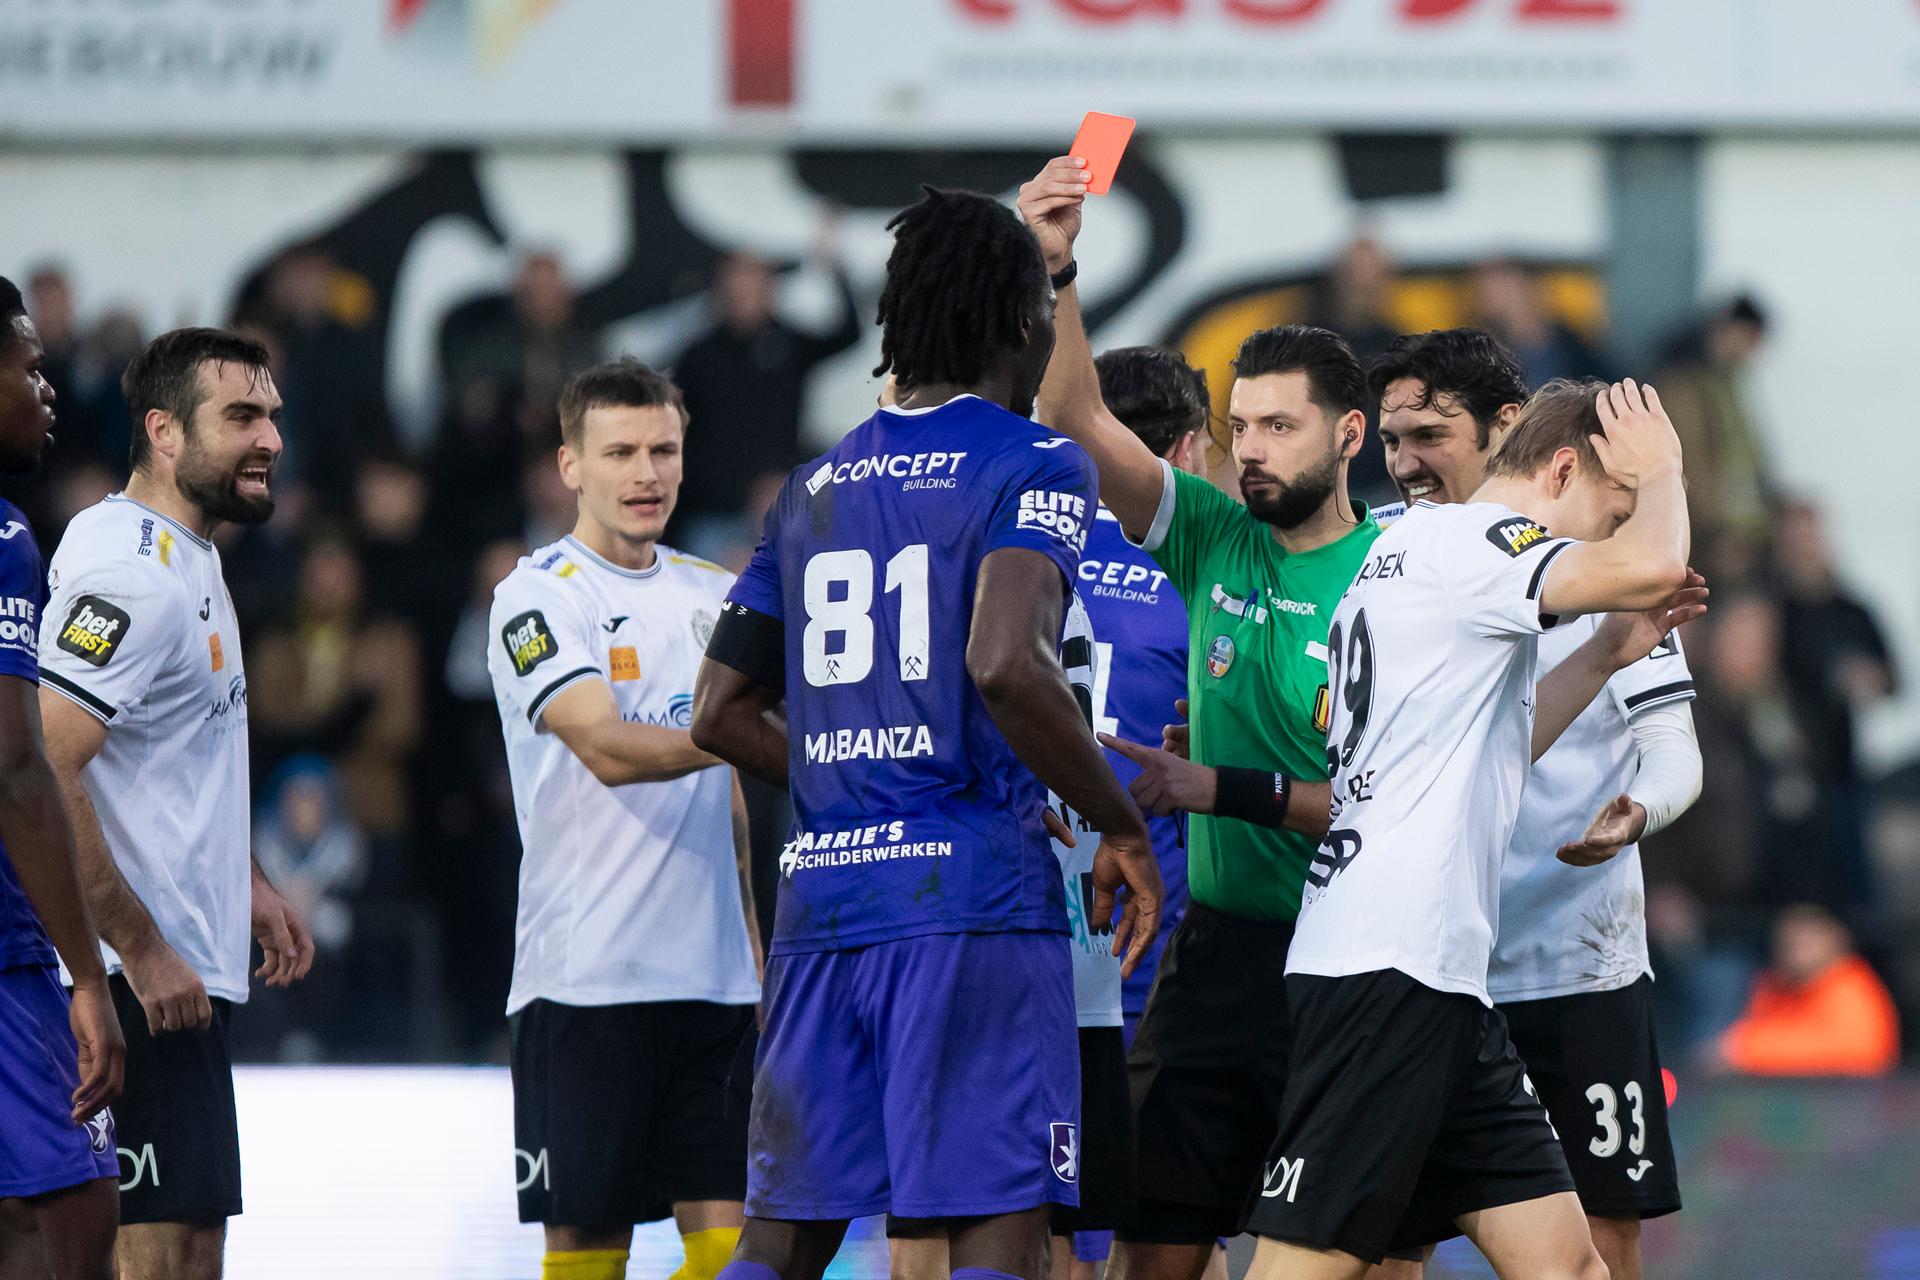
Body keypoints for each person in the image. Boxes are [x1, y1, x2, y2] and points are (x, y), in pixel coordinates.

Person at [691, 184, 1163, 1280]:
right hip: (972, 903)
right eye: (1039, 305)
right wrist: (1118, 820)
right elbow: (1005, 663)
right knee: (999, 1225)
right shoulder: (1035, 463)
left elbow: (720, 709)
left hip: (824, 902)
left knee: (781, 1240)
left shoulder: (812, 486)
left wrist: (862, 778)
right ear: (1015, 322)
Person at [1019, 158, 1395, 1280]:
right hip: (1216, 957)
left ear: (1351, 436)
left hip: (1347, 961)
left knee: (1360, 1260)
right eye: (1243, 427)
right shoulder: (1212, 535)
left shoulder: (1398, 580)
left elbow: (1391, 802)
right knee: (1156, 1248)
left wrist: (1206, 783)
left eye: (1283, 426)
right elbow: (1073, 414)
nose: (1257, 448)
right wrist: (1060, 266)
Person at [1245, 378, 1703, 1280]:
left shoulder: (1402, 549)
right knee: (1304, 1271)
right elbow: (1652, 566)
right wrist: (1664, 473)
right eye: (1609, 509)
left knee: (1572, 1267)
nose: (1611, 533)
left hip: (1444, 976)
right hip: (1386, 969)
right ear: (1564, 467)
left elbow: (1499, 745)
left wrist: (1611, 649)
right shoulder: (1484, 542)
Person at [38, 328, 315, 1280]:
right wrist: (140, 949)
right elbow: (43, 765)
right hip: (128, 982)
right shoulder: (136, 575)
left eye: (272, 415)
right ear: (163, 432)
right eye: (241, 417)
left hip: (181, 975)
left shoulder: (189, 556)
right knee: (153, 1260)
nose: (270, 438)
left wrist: (248, 880)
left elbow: (165, 758)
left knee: (191, 1253)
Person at [487, 358, 763, 1280]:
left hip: (716, 984)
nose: (646, 473)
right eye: (620, 452)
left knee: (733, 1255)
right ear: (570, 466)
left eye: (663, 450)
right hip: (587, 981)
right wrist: (740, 733)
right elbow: (604, 748)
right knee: (589, 1256)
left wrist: (757, 949)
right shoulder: (537, 595)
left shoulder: (713, 594)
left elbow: (731, 801)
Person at [0, 275, 122, 1280]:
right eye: (29, 366)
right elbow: (17, 763)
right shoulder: (2, 539)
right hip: (6, 959)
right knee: (74, 1214)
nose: (46, 389)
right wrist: (87, 972)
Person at [671, 238, 863, 547]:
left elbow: (847, 333)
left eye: (754, 281)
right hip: (716, 516)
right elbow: (676, 430)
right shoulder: (699, 354)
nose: (744, 291)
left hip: (780, 509)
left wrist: (833, 266)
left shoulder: (789, 343)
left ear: (770, 289)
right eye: (737, 281)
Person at [1714, 904, 1899, 1078]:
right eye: (1787, 943)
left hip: (1848, 1103)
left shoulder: (1850, 985)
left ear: (1835, 941)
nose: (1795, 951)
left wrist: (1748, 1049)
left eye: (1807, 942)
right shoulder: (1775, 987)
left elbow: (1861, 1048)